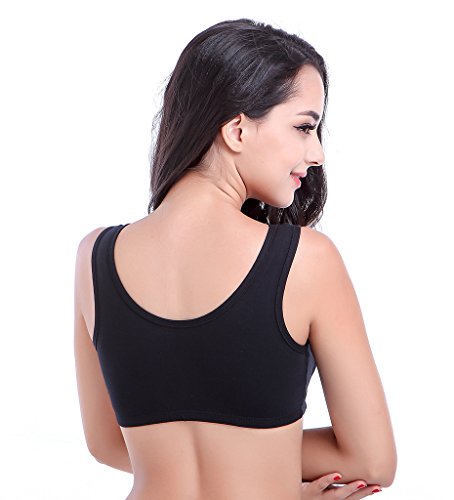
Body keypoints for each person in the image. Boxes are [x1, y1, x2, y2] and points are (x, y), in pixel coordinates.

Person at [74, 18, 397, 499]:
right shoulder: (305, 260)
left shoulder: (94, 256)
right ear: (237, 130)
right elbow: (370, 461)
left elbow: (108, 444)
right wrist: (262, 472)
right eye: (304, 127)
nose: (317, 153)